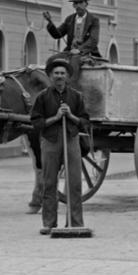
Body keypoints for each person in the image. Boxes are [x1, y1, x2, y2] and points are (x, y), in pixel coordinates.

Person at [30, 57, 90, 234]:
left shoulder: (76, 97)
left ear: (68, 76)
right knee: (49, 183)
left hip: (71, 140)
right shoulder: (43, 97)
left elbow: (85, 121)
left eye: (62, 73)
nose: (59, 76)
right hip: (50, 142)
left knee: (74, 183)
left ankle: (75, 222)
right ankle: (49, 223)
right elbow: (36, 122)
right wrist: (55, 118)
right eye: (56, 73)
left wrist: (71, 116)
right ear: (50, 75)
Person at [43, 0, 101, 64]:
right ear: (73, 5)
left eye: (81, 2)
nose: (78, 5)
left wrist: (80, 50)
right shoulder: (70, 19)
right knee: (51, 60)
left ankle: (72, 76)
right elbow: (57, 34)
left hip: (87, 53)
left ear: (86, 4)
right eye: (76, 3)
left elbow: (93, 40)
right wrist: (50, 21)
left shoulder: (94, 20)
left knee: (74, 60)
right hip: (70, 52)